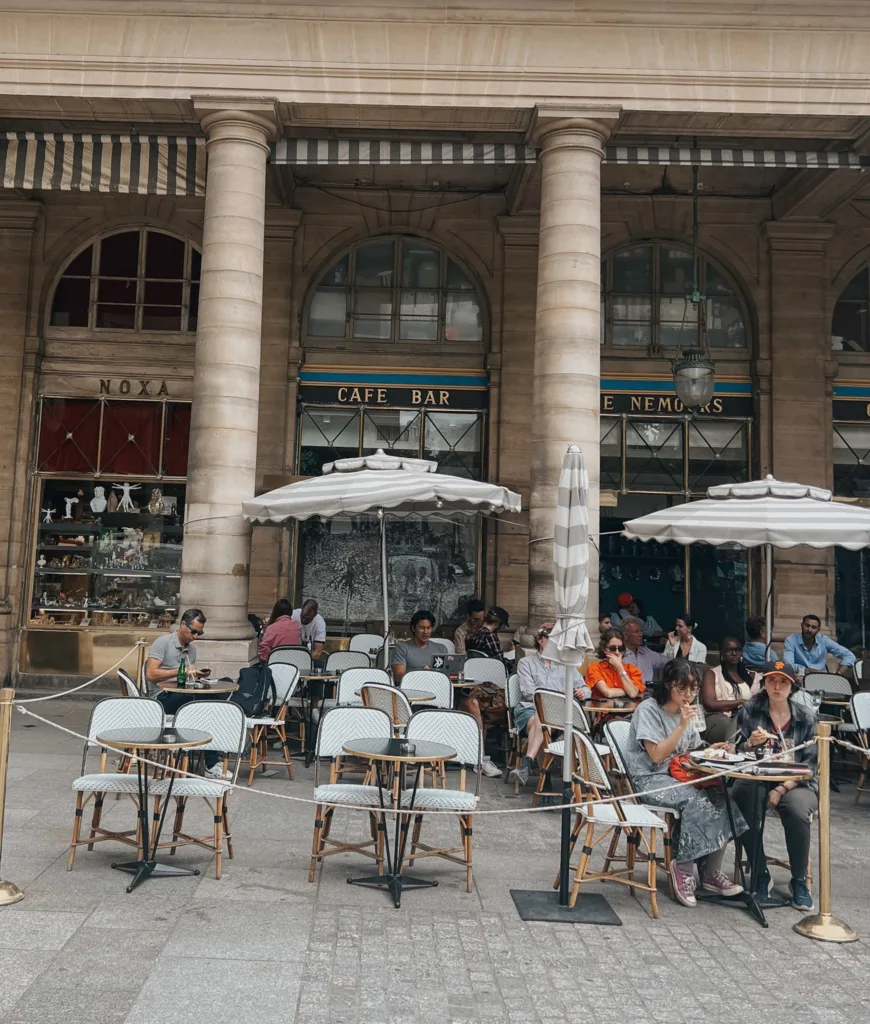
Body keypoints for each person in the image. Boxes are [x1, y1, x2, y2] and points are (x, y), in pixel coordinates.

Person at [625, 658, 746, 907]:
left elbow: (692, 749)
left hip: (679, 774)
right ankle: (683, 867)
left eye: (693, 689)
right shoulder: (648, 710)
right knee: (696, 801)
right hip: (650, 778)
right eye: (683, 688)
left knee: (721, 797)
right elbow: (657, 755)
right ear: (669, 685)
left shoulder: (687, 710)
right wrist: (681, 725)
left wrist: (712, 749)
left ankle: (711, 871)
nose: (689, 695)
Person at [731, 661, 819, 911]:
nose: (777, 686)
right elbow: (738, 750)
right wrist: (750, 744)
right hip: (758, 777)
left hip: (797, 782)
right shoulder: (750, 709)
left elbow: (811, 765)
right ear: (764, 683)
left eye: (783, 682)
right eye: (772, 680)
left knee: (797, 808)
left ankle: (799, 879)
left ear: (792, 686)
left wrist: (781, 789)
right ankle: (759, 871)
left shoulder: (806, 717)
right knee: (741, 796)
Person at [508, 623, 591, 787]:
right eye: (551, 638)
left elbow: (586, 688)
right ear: (540, 639)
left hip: (560, 714)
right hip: (530, 710)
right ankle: (543, 778)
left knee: (542, 720)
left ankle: (529, 764)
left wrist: (583, 692)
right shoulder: (526, 662)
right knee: (541, 717)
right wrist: (555, 696)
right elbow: (528, 692)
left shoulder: (567, 664)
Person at [145, 609, 221, 776]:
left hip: (180, 694)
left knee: (214, 701)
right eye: (193, 631)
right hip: (160, 698)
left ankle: (212, 760)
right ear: (182, 625)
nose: (195, 636)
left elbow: (186, 680)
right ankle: (211, 763)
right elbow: (150, 673)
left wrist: (197, 674)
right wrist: (180, 671)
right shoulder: (163, 642)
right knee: (201, 704)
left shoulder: (191, 650)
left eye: (199, 632)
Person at [700, 636, 760, 742]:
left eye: (737, 650)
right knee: (733, 727)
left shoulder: (750, 676)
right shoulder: (712, 674)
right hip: (716, 718)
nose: (734, 653)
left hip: (743, 716)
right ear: (722, 654)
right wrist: (740, 702)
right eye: (729, 650)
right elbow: (709, 704)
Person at [784, 614, 856, 677]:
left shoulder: (823, 640)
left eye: (814, 627)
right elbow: (788, 665)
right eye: (807, 625)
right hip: (799, 677)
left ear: (818, 630)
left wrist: (838, 673)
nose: (809, 630)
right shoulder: (791, 640)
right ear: (802, 625)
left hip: (821, 679)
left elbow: (849, 656)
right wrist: (807, 670)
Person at [585, 628, 645, 698]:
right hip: (602, 708)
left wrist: (620, 669)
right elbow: (608, 693)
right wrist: (628, 692)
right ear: (604, 649)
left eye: (620, 648)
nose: (617, 652)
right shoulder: (595, 668)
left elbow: (632, 693)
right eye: (613, 648)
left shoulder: (633, 670)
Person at [391, 609, 448, 681]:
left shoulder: (441, 649)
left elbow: (447, 675)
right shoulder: (402, 648)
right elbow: (399, 677)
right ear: (413, 628)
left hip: (437, 688)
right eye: (422, 628)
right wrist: (422, 672)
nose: (425, 632)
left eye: (428, 628)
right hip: (411, 689)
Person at [622, 616, 668, 686]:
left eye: (641, 631)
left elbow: (668, 662)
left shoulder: (646, 652)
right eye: (636, 632)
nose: (641, 634)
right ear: (625, 635)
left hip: (649, 693)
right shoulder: (620, 655)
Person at [258, 598, 303, 663]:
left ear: (275, 612)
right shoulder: (298, 626)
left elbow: (264, 651)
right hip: (294, 664)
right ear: (290, 612)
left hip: (276, 664)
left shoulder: (271, 628)